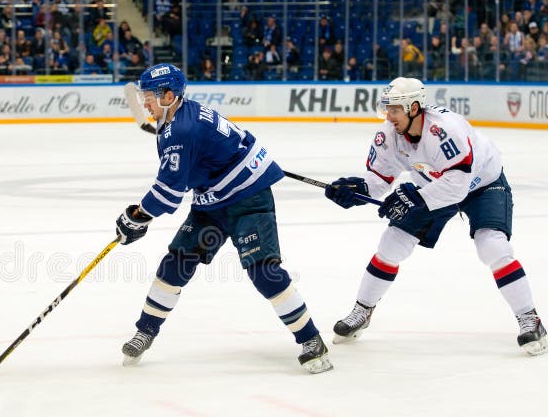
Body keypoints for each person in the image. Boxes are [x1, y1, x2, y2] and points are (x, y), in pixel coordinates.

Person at [114, 63, 333, 374]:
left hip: (248, 198)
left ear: (168, 95)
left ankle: (311, 340)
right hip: (213, 202)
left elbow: (168, 193)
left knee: (264, 272)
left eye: (148, 96)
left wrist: (136, 217)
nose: (144, 102)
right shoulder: (178, 116)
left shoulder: (181, 131)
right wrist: (142, 215)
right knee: (176, 263)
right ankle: (145, 331)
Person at [324, 77, 546, 356]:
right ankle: (362, 310)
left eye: (394, 110)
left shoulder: (444, 130)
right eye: (386, 109)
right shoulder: (388, 135)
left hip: (483, 183)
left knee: (493, 246)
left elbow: (457, 186)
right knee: (391, 243)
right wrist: (358, 189)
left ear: (414, 107)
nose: (388, 116)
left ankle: (530, 319)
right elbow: (380, 178)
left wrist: (413, 198)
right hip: (434, 185)